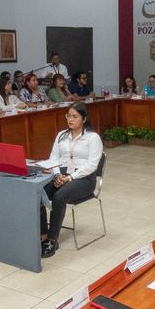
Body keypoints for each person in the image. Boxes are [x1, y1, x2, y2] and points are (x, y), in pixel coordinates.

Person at [40, 102, 103, 258]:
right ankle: (42, 235)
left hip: (84, 179)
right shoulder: (61, 135)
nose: (70, 119)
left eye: (75, 116)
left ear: (84, 119)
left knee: (59, 196)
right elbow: (53, 158)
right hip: (61, 175)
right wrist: (57, 175)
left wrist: (69, 178)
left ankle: (52, 239)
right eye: (68, 116)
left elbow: (92, 165)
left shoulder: (92, 137)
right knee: (38, 192)